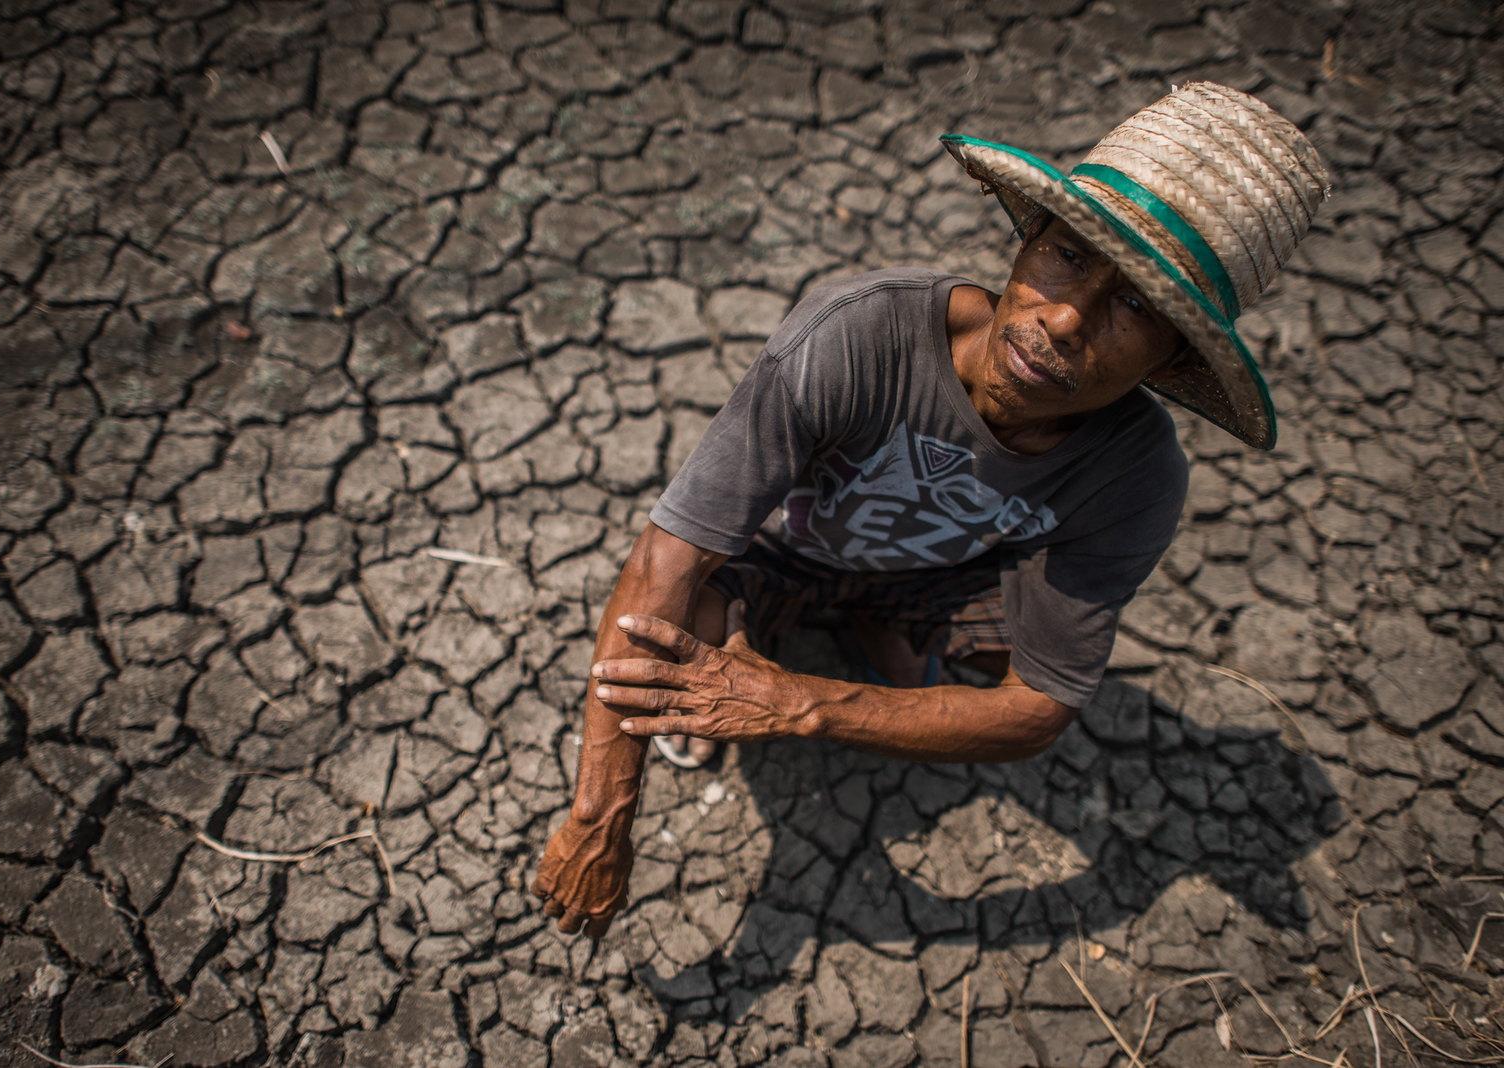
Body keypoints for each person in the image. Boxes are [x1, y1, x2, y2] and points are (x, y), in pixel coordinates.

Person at [534, 82, 1330, 937]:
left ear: (1173, 358)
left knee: (992, 677)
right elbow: (664, 559)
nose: (1065, 318)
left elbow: (1038, 711)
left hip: (941, 578)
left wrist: (801, 702)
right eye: (1066, 256)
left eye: (1136, 305)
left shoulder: (1136, 474)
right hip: (779, 556)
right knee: (675, 616)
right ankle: (776, 645)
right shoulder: (858, 335)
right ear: (1026, 244)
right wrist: (600, 820)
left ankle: (872, 640)